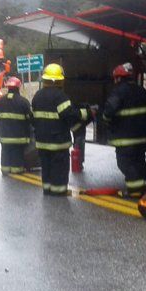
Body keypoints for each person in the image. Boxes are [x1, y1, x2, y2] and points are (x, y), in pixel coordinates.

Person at [32, 63, 92, 196]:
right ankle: (59, 191)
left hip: (42, 141)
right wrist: (86, 113)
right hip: (58, 142)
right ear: (60, 80)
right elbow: (68, 114)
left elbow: (33, 117)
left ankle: (47, 189)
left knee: (46, 167)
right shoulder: (60, 96)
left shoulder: (37, 96)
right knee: (59, 167)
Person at [102, 62, 146, 198]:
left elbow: (108, 112)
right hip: (141, 138)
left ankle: (135, 192)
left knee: (125, 164)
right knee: (140, 163)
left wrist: (107, 122)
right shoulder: (142, 91)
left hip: (124, 140)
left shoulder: (118, 92)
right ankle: (142, 188)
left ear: (118, 78)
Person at [0, 77, 33, 175]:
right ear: (18, 87)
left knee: (5, 153)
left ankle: (5, 170)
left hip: (4, 136)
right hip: (19, 137)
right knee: (17, 154)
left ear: (8, 87)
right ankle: (17, 170)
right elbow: (30, 118)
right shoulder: (23, 102)